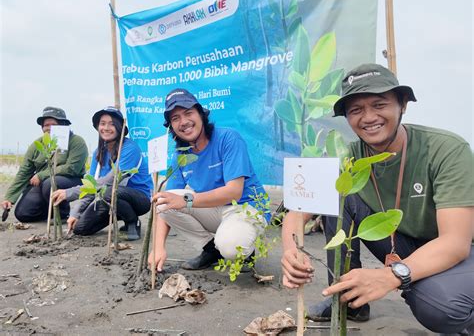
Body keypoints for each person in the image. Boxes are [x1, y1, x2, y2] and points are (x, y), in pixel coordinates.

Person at [281, 63, 474, 334]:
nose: (368, 117)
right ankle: (349, 299)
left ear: (402, 104)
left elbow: (455, 242)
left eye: (379, 104)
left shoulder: (446, 150)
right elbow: (297, 212)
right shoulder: (350, 156)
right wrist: (291, 252)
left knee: (440, 306)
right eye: (356, 110)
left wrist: (389, 276)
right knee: (340, 193)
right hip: (399, 242)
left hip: (455, 250)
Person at [148, 88, 269, 271]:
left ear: (201, 114)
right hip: (215, 209)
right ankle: (211, 250)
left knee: (231, 246)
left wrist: (185, 200)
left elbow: (234, 191)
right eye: (175, 118)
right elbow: (167, 199)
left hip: (246, 207)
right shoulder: (180, 155)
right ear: (171, 127)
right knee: (164, 201)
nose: (184, 122)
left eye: (188, 113)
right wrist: (158, 248)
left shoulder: (228, 138)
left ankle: (244, 248)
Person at [52, 107, 153, 240]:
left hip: (139, 198)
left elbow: (111, 181)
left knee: (109, 191)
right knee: (80, 229)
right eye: (102, 123)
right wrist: (75, 213)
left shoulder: (130, 148)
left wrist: (69, 193)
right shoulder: (98, 153)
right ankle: (117, 215)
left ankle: (132, 221)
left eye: (112, 123)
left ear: (120, 127)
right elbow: (91, 186)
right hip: (108, 197)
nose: (106, 127)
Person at [1, 107, 88, 222]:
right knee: (23, 214)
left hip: (70, 180)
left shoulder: (77, 141)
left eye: (53, 124)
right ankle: (50, 210)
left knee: (50, 183)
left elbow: (72, 168)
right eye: (46, 125)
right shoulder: (37, 145)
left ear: (63, 125)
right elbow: (24, 172)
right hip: (42, 184)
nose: (49, 128)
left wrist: (41, 175)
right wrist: (9, 198)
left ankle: (62, 213)